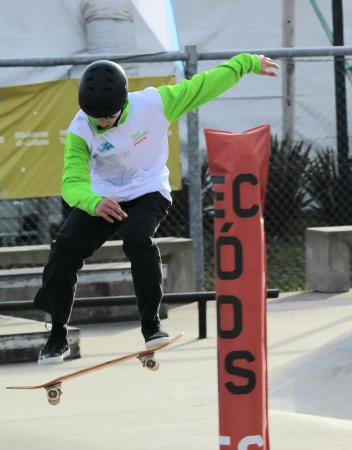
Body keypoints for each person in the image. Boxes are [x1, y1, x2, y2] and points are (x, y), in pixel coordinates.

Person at [34, 53, 279, 364]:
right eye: (95, 117)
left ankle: (151, 324)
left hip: (148, 188)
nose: (102, 123)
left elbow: (203, 86)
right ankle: (57, 334)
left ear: (122, 104)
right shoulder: (81, 128)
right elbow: (72, 182)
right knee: (65, 248)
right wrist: (93, 202)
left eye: (107, 117)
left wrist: (245, 63)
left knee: (137, 239)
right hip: (103, 197)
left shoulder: (154, 104)